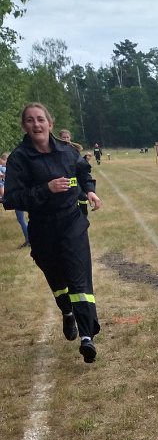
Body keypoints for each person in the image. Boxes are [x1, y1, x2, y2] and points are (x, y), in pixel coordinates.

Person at [2, 103, 103, 362]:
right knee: (58, 280)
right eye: (30, 120)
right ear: (24, 126)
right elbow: (12, 199)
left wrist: (89, 190)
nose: (36, 124)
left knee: (79, 277)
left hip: (72, 222)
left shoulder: (67, 152)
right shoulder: (19, 158)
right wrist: (45, 189)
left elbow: (82, 171)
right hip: (43, 227)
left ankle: (87, 337)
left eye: (40, 119)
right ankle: (66, 312)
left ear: (50, 123)